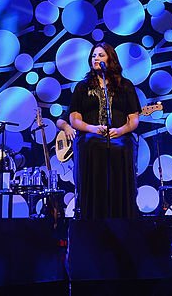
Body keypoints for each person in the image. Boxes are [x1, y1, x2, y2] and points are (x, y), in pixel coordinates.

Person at [68, 43, 141, 219]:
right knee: (92, 144)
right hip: (91, 137)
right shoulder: (82, 87)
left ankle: (122, 213)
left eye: (101, 55)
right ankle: (92, 213)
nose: (96, 59)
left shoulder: (125, 85)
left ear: (110, 59)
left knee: (122, 146)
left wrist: (121, 130)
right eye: (94, 56)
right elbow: (74, 119)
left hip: (119, 136)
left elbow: (134, 119)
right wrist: (92, 128)